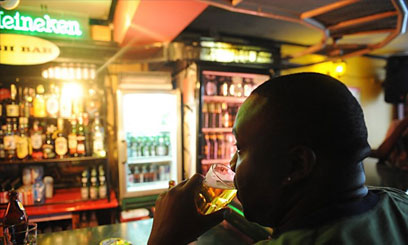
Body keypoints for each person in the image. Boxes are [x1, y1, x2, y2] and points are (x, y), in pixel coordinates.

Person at [148, 73, 408, 245]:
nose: (232, 165)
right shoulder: (400, 205)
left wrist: (164, 238)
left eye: (240, 148)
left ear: (297, 164)